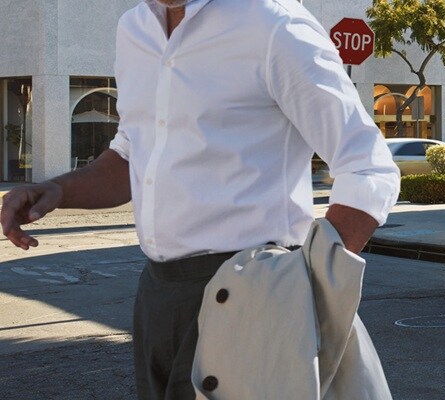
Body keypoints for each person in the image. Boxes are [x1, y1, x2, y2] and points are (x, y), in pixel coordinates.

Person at [0, 0, 400, 398]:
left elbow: (367, 166)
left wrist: (312, 288)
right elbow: (133, 153)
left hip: (254, 293)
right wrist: (57, 190)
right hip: (156, 296)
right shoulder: (134, 29)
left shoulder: (273, 24)